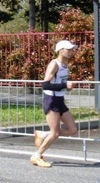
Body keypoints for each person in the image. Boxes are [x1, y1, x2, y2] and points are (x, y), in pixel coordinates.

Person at [30, 40, 78, 168]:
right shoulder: (54, 64)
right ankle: (37, 156)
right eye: (69, 49)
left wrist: (67, 87)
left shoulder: (65, 65)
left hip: (60, 100)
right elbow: (45, 84)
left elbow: (59, 84)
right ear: (60, 50)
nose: (71, 52)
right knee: (55, 133)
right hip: (51, 100)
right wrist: (64, 85)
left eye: (72, 49)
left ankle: (44, 134)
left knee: (73, 130)